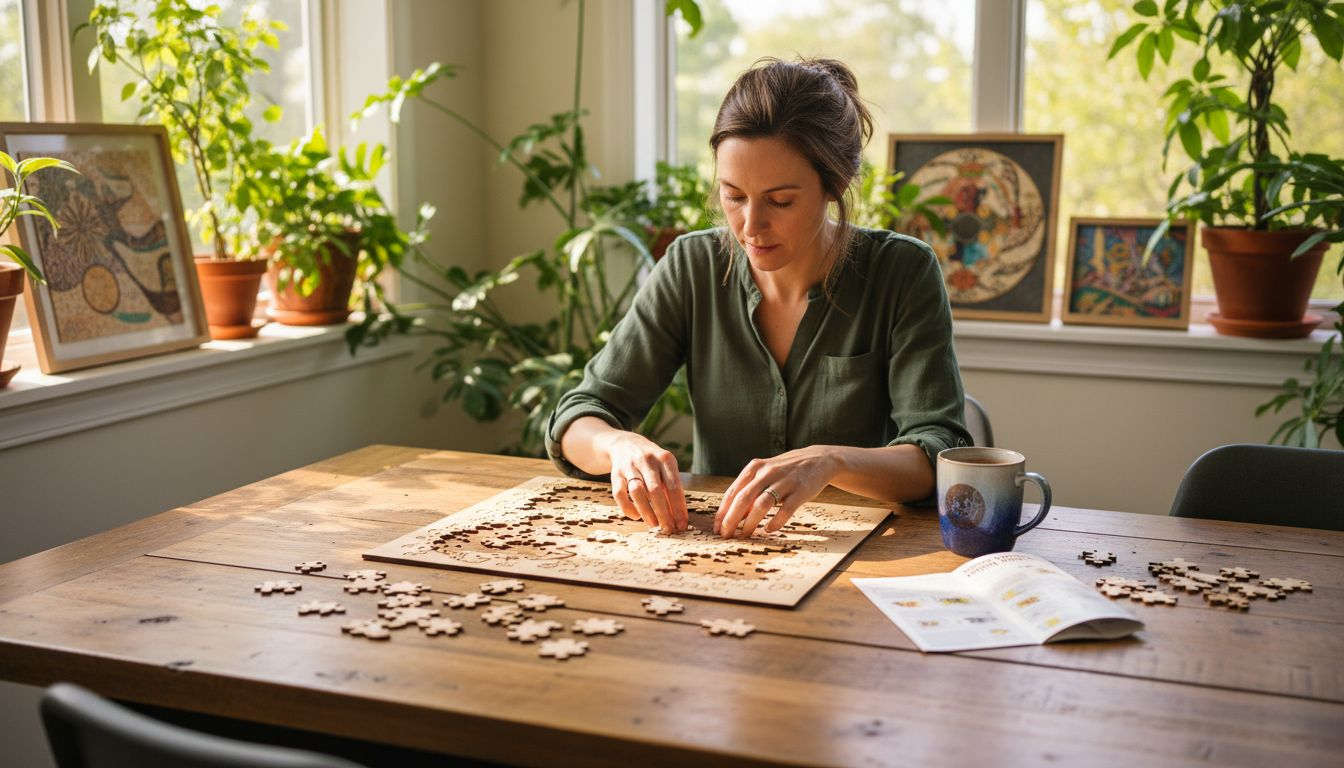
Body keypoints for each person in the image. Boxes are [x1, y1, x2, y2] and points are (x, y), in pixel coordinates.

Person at [545, 57, 970, 539]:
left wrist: (828, 461)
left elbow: (938, 454)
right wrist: (616, 444)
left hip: (857, 553)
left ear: (836, 185)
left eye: (781, 201)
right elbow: (578, 417)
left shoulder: (901, 271)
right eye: (733, 195)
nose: (750, 225)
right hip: (717, 552)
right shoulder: (692, 266)